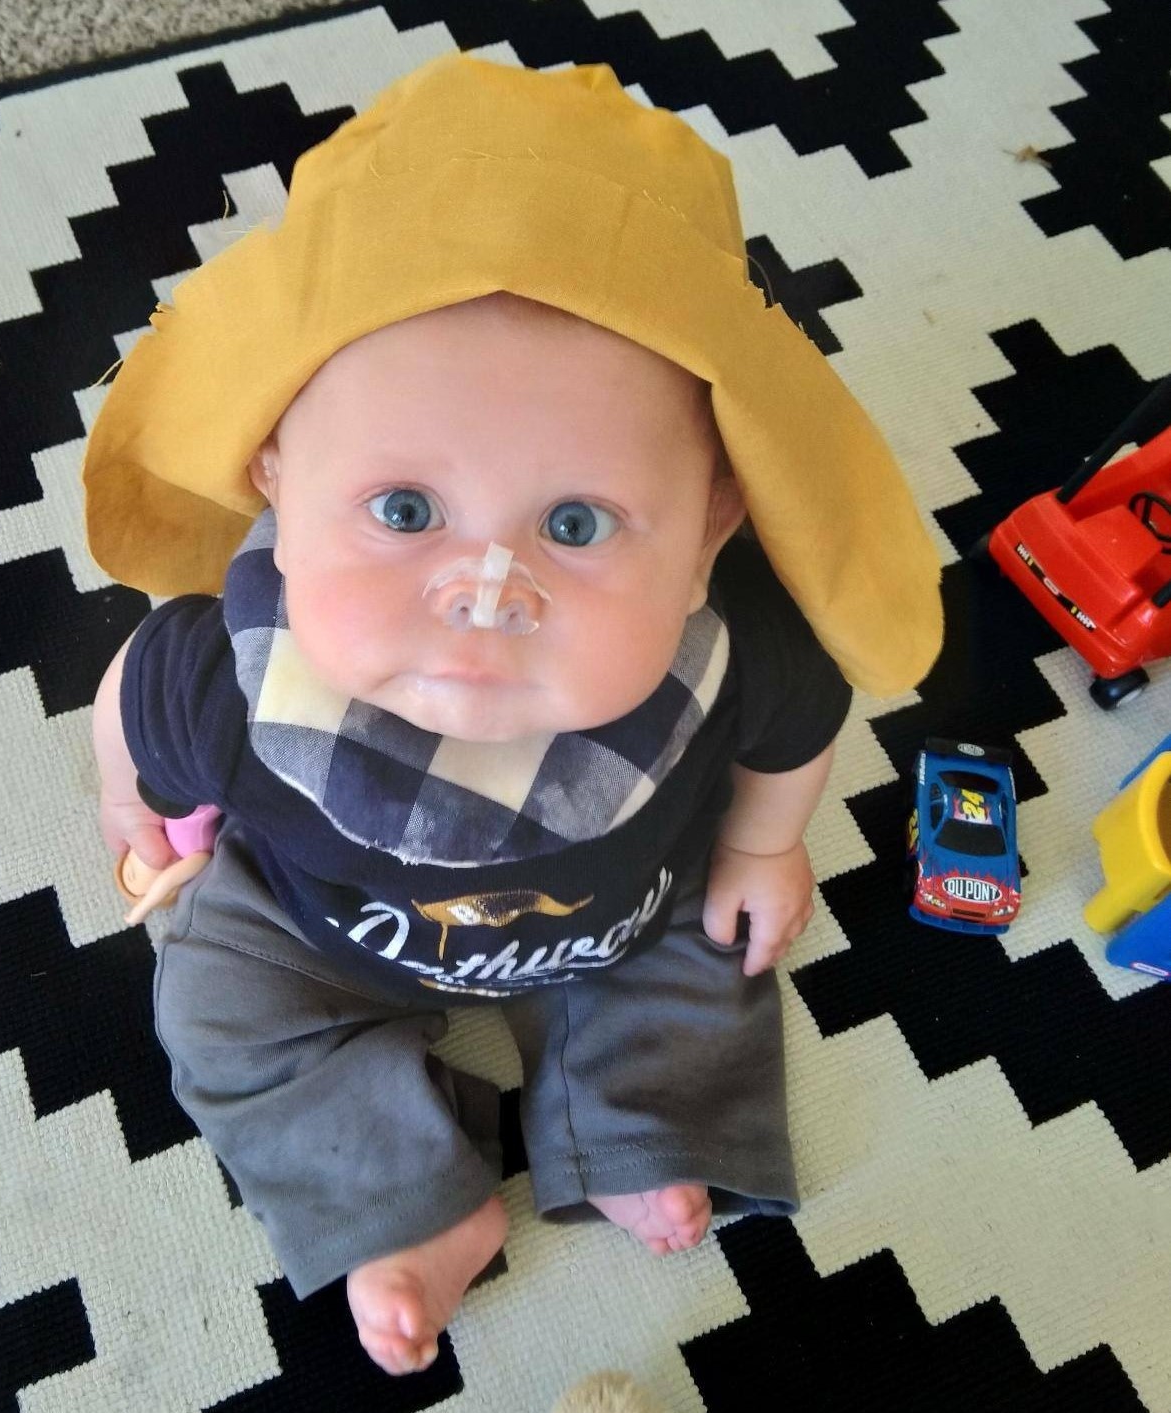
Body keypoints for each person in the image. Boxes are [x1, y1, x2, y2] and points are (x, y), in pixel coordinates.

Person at [83, 54, 942, 1377]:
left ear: (711, 524)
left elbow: (797, 717)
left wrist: (764, 843)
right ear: (274, 476)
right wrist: (126, 792)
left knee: (705, 957)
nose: (484, 595)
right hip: (318, 926)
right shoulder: (234, 678)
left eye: (577, 523)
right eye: (404, 510)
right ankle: (412, 1196)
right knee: (213, 1002)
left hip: (618, 907)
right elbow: (135, 691)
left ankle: (635, 1124)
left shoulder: (728, 651)